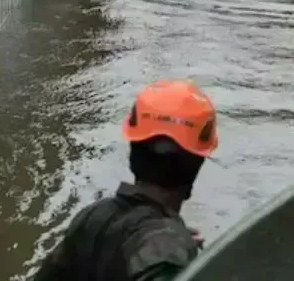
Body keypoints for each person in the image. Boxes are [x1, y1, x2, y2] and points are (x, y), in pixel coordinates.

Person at [33, 80, 218, 281]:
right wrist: (172, 246)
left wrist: (172, 240)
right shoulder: (166, 248)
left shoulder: (91, 217)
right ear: (196, 166)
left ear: (133, 153)